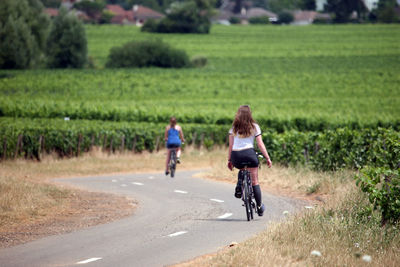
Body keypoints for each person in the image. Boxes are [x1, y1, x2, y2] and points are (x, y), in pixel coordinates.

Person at [227, 105, 272, 216]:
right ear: (250, 114)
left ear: (238, 114)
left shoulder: (234, 128)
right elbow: (260, 144)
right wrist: (267, 158)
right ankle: (260, 206)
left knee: (241, 169)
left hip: (236, 155)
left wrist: (229, 160)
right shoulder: (255, 127)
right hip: (249, 154)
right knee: (254, 181)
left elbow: (231, 145)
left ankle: (239, 186)